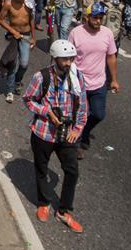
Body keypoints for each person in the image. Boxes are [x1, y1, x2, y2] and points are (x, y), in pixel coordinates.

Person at [23, 39, 88, 233]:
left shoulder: (77, 77)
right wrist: (46, 111)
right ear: (54, 58)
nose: (68, 63)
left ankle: (64, 210)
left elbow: (83, 105)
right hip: (43, 132)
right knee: (41, 168)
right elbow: (28, 100)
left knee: (72, 171)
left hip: (67, 134)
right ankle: (44, 202)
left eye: (71, 59)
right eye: (64, 59)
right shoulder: (41, 77)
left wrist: (78, 129)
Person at [68, 2, 119, 157]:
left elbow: (111, 57)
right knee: (79, 114)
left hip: (99, 83)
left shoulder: (107, 34)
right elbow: (68, 58)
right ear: (87, 17)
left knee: (98, 114)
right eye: (95, 17)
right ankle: (76, 144)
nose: (98, 21)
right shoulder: (76, 33)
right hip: (79, 83)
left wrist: (114, 80)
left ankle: (84, 131)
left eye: (100, 18)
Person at [0, 0, 36, 103]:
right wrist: (12, 31)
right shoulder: (8, 4)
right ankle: (9, 90)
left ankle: (17, 81)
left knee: (24, 64)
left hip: (25, 36)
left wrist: (33, 38)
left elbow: (32, 21)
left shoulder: (28, 5)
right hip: (14, 37)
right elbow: (0, 19)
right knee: (12, 63)